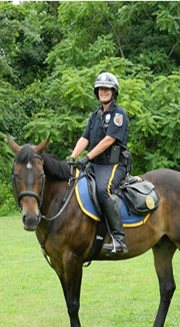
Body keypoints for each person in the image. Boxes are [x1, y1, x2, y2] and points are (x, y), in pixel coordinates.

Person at [67, 72, 130, 254]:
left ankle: (119, 239)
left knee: (104, 189)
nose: (104, 91)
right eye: (101, 89)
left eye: (107, 89)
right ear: (97, 92)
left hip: (114, 164)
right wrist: (72, 158)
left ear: (114, 91)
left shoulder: (118, 114)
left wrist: (86, 158)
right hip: (97, 165)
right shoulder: (95, 116)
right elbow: (84, 138)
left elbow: (109, 140)